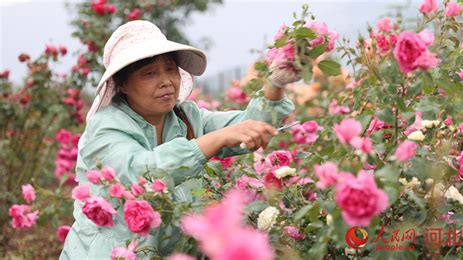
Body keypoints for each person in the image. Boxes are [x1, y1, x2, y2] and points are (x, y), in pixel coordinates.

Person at [60, 20, 300, 259]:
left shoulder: (184, 117)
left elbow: (245, 127)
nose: (166, 81)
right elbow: (142, 171)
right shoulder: (106, 127)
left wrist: (275, 84)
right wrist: (216, 138)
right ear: (122, 84)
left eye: (170, 69)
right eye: (150, 73)